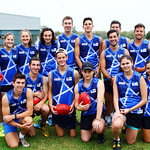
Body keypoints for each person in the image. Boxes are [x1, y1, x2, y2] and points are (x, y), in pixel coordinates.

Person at [111, 54, 147, 150]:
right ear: (120, 65)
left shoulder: (140, 77)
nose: (125, 65)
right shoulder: (117, 77)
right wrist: (117, 111)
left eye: (127, 63)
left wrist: (130, 109)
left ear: (132, 63)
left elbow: (144, 100)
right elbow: (115, 96)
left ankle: (126, 126)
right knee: (116, 124)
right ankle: (116, 139)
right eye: (123, 64)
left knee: (130, 142)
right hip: (122, 110)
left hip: (135, 111)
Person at [100, 30, 129, 127]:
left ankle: (122, 118)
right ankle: (108, 118)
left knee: (122, 100)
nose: (113, 39)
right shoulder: (104, 52)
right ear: (108, 39)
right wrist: (109, 78)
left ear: (118, 37)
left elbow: (128, 67)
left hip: (122, 79)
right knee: (108, 100)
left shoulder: (124, 51)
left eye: (114, 37)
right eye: (110, 37)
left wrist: (118, 78)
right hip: (109, 80)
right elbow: (103, 68)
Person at [48, 48, 79, 137]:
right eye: (59, 58)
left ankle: (73, 119)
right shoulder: (51, 74)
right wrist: (50, 105)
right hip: (57, 108)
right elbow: (50, 91)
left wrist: (73, 104)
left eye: (63, 57)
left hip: (69, 108)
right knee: (60, 135)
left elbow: (77, 92)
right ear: (56, 59)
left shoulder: (74, 73)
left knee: (73, 135)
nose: (61, 60)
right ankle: (58, 123)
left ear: (67, 57)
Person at [74, 61, 105, 143]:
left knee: (99, 127)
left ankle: (100, 134)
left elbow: (100, 101)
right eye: (85, 72)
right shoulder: (78, 86)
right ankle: (91, 128)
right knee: (85, 139)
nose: (87, 74)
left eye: (89, 71)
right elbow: (76, 103)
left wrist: (98, 118)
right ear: (82, 72)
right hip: (86, 113)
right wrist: (79, 107)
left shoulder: (99, 82)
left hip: (97, 111)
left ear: (93, 72)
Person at [2, 73, 34, 148]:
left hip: (20, 118)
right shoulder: (6, 97)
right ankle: (15, 131)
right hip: (10, 122)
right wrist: (21, 126)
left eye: (22, 83)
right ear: (13, 83)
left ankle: (21, 137)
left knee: (31, 128)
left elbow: (30, 112)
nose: (20, 85)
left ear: (25, 83)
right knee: (14, 145)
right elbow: (6, 119)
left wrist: (13, 116)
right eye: (18, 83)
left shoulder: (28, 91)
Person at [25, 57, 50, 137]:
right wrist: (34, 94)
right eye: (33, 65)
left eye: (38, 65)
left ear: (40, 67)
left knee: (46, 109)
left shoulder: (42, 78)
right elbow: (20, 94)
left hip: (38, 102)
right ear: (29, 66)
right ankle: (23, 124)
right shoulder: (24, 78)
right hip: (27, 103)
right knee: (32, 134)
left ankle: (42, 125)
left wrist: (41, 103)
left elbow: (46, 95)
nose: (35, 67)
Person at [0, 33, 18, 137]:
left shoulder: (16, 51)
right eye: (8, 39)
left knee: (13, 103)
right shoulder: (0, 51)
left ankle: (12, 123)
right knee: (2, 104)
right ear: (4, 40)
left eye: (12, 40)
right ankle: (1, 124)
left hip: (14, 82)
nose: (10, 41)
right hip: (3, 82)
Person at [142, 60, 150, 143]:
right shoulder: (142, 78)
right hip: (146, 111)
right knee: (148, 140)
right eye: (148, 68)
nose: (149, 70)